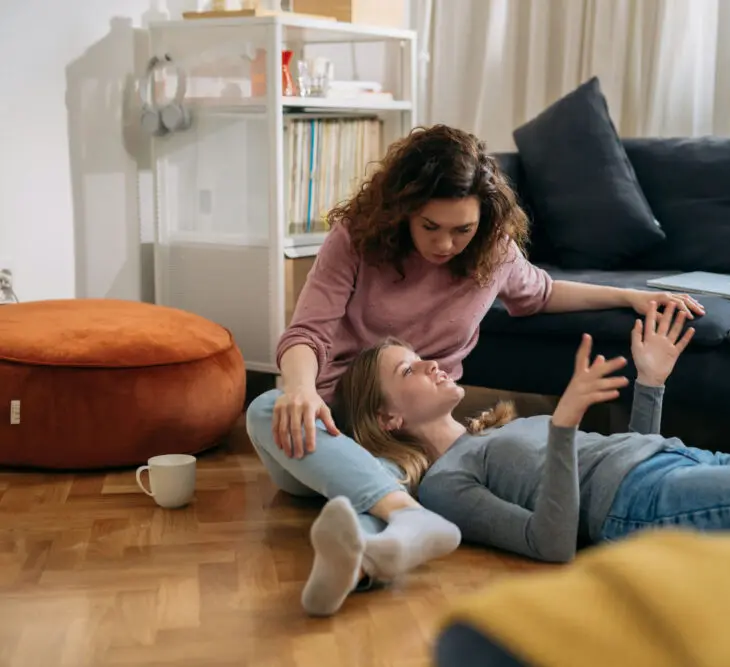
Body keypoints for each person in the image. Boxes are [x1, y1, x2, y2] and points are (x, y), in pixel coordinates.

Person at [244, 124, 706, 615]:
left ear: (483, 221)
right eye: (430, 227)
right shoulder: (357, 239)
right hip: (332, 423)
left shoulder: (493, 250)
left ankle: (366, 557)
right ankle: (405, 516)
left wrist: (631, 296)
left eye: (461, 230)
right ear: (402, 210)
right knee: (266, 409)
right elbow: (307, 332)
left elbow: (541, 294)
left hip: (414, 444)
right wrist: (300, 389)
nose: (445, 245)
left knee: (390, 477)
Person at [323, 301, 730, 566]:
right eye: (412, 367)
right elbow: (553, 541)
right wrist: (563, 424)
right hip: (651, 501)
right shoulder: (445, 483)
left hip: (673, 466)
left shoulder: (497, 429)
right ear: (389, 419)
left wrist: (651, 384)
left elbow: (626, 453)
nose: (436, 362)